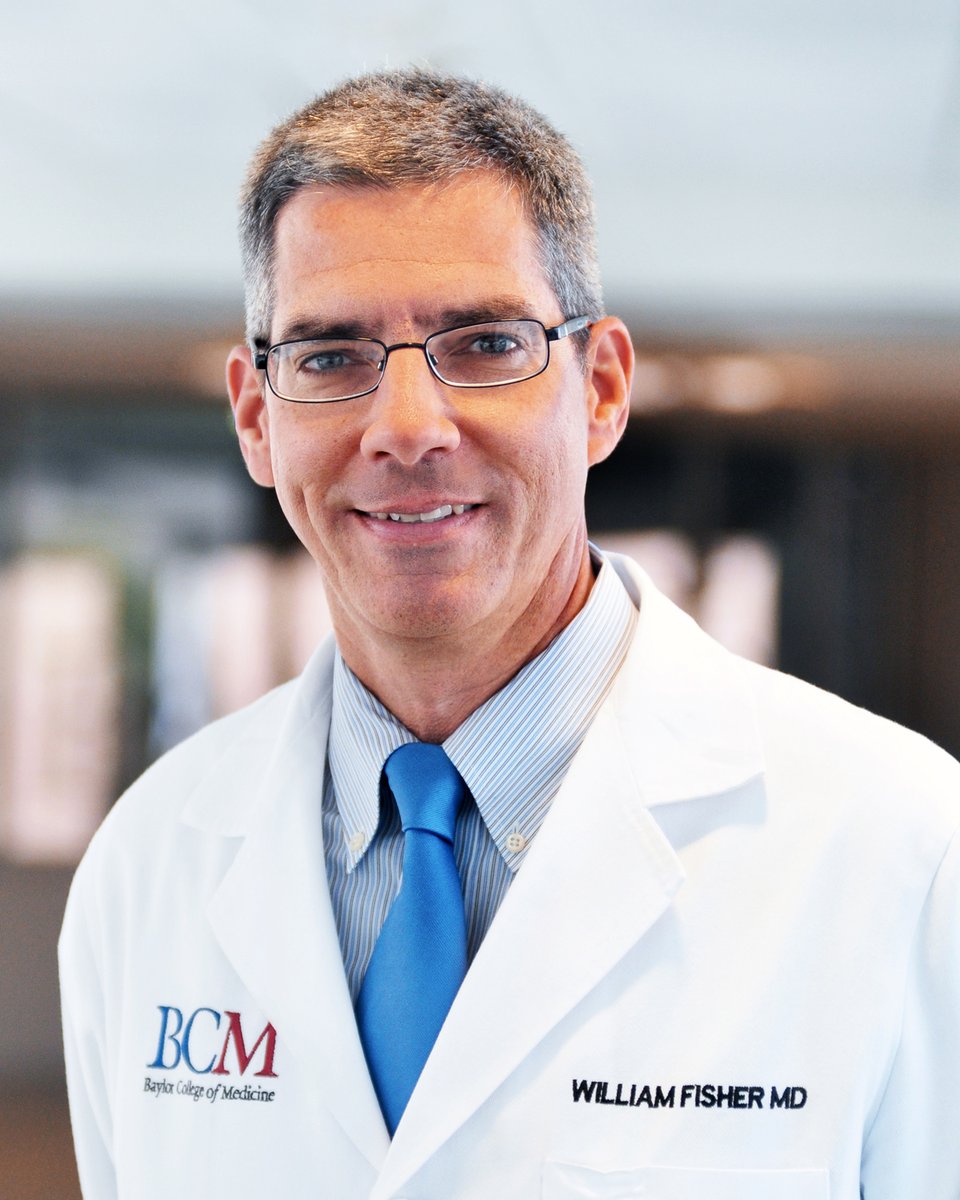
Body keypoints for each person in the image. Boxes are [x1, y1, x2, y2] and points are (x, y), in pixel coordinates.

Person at [60, 68, 960, 1200]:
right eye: (330, 357)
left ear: (602, 389)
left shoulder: (900, 850)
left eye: (485, 344)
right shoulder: (147, 868)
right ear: (255, 417)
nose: (407, 429)